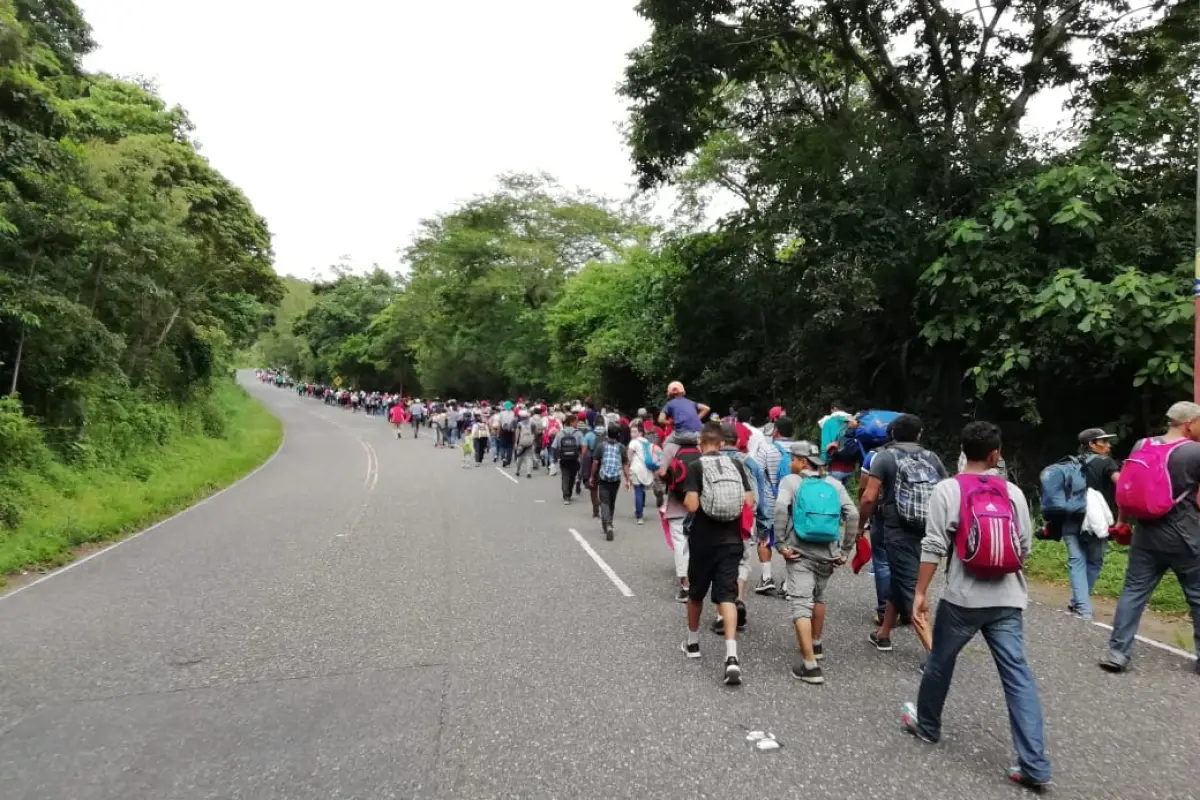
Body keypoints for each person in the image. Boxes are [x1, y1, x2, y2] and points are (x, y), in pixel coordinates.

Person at [901, 421, 1050, 791]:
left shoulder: (947, 489)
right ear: (996, 455)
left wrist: (920, 592)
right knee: (1017, 677)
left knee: (940, 662)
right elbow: (1025, 547)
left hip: (963, 599)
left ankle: (928, 724)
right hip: (1008, 598)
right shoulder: (1012, 492)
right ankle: (1034, 764)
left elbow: (934, 545)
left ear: (963, 451)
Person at [1100, 402, 1200, 674]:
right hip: (1185, 536)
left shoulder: (1142, 445)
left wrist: (1121, 522)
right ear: (1189, 423)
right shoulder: (1194, 451)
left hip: (1145, 534)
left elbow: (1127, 485)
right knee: (1197, 596)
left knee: (1133, 591)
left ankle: (1117, 653)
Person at [858, 413, 947, 656]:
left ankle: (936, 656)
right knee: (899, 580)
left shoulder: (884, 457)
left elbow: (868, 497)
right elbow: (947, 491)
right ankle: (883, 634)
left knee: (911, 590)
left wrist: (860, 525)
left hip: (897, 530)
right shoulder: (932, 457)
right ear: (919, 435)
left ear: (892, 435)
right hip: (929, 529)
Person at [774, 440, 858, 684]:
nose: (790, 463)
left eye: (793, 459)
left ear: (802, 462)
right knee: (819, 597)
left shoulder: (791, 482)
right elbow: (852, 514)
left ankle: (810, 666)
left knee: (801, 603)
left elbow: (780, 510)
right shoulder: (834, 483)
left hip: (800, 551)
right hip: (828, 553)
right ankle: (816, 644)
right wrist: (845, 549)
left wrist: (780, 544)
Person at [680, 423, 753, 686]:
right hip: (732, 541)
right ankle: (731, 657)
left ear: (701, 444)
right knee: (727, 597)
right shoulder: (737, 466)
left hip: (703, 542)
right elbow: (748, 501)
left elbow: (691, 504)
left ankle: (693, 642)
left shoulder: (696, 467)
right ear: (722, 444)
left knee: (696, 593)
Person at [1064, 427, 1120, 620]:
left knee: (1076, 561)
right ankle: (1083, 607)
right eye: (1103, 442)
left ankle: (1079, 603)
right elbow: (1121, 484)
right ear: (1091, 445)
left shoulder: (1069, 463)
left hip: (1070, 518)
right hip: (1095, 520)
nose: (1108, 446)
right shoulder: (1105, 462)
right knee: (1094, 561)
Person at [752, 416, 796, 597]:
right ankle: (788, 584)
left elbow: (757, 474)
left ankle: (767, 578)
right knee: (792, 541)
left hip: (771, 502)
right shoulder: (800, 450)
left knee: (764, 538)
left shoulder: (767, 449)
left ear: (776, 431)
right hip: (794, 502)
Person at [589, 424, 631, 540]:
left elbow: (595, 463)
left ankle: (607, 524)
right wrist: (628, 479)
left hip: (603, 478)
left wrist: (592, 476)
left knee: (604, 502)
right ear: (618, 435)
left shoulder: (601, 446)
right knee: (611, 502)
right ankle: (610, 523)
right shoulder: (621, 447)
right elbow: (625, 464)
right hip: (616, 479)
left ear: (608, 434)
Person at [628, 426, 662, 525]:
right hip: (646, 470)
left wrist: (629, 462)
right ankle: (641, 507)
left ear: (640, 433)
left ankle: (639, 515)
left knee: (638, 491)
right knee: (641, 489)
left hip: (636, 468)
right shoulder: (648, 443)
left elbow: (629, 452)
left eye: (635, 431)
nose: (632, 434)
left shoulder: (634, 442)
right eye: (632, 431)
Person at [553, 417, 583, 504]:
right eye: (576, 422)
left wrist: (556, 458)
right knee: (572, 477)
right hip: (574, 459)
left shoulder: (560, 433)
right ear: (571, 422)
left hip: (564, 458)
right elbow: (582, 446)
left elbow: (555, 446)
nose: (577, 423)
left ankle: (566, 496)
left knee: (565, 477)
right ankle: (569, 493)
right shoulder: (578, 433)